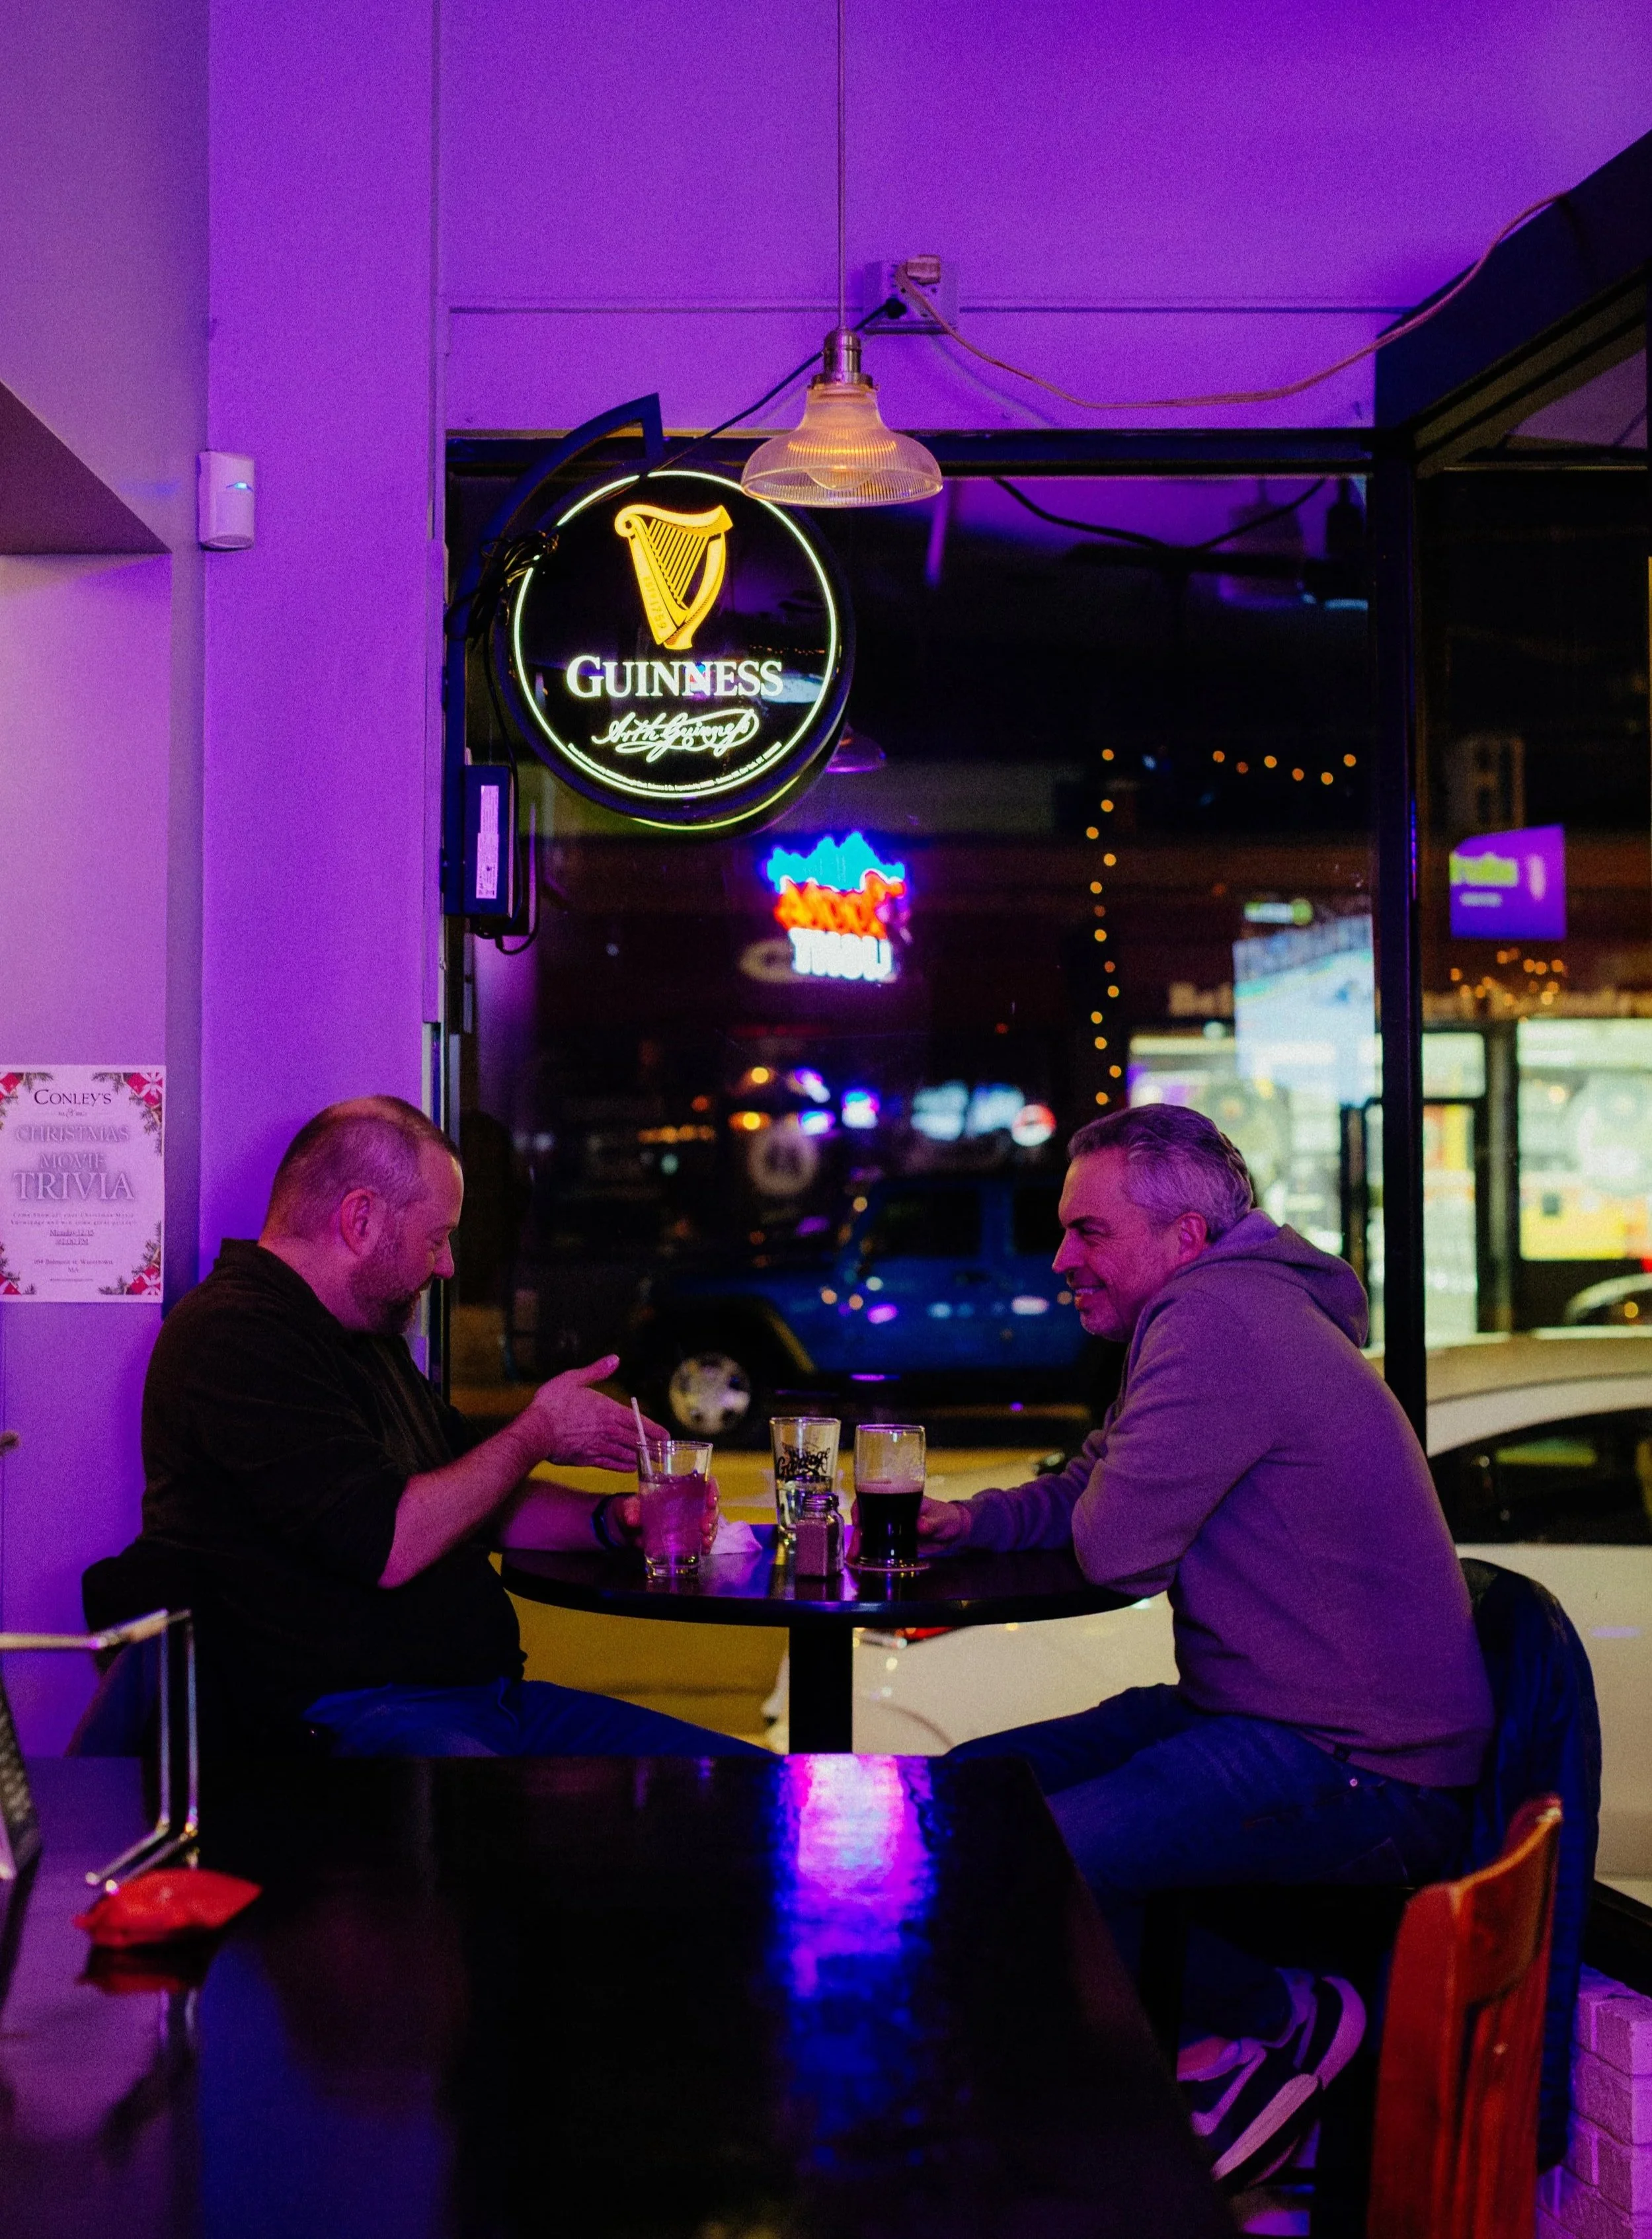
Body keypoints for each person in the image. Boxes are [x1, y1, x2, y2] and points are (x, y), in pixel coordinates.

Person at [920, 1103, 1493, 2191]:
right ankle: (1198, 2053)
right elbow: (1099, 1481)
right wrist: (977, 1518)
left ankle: (1278, 2021)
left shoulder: (1214, 1320)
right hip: (1265, 1715)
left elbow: (1117, 1546)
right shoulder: (1221, 1308)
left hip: (1359, 1764)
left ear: (1183, 1237)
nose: (1059, 1259)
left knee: (1016, 1863)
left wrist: (1082, 1506)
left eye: (1086, 1232)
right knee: (958, 1804)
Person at [139, 1095, 765, 1761]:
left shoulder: (362, 1334)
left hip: (485, 1701)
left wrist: (617, 1520)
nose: (447, 1267)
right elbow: (390, 1543)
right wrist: (537, 1431)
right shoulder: (236, 1338)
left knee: (747, 1785)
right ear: (360, 1220)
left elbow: (473, 1496)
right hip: (353, 1717)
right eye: (437, 1238)